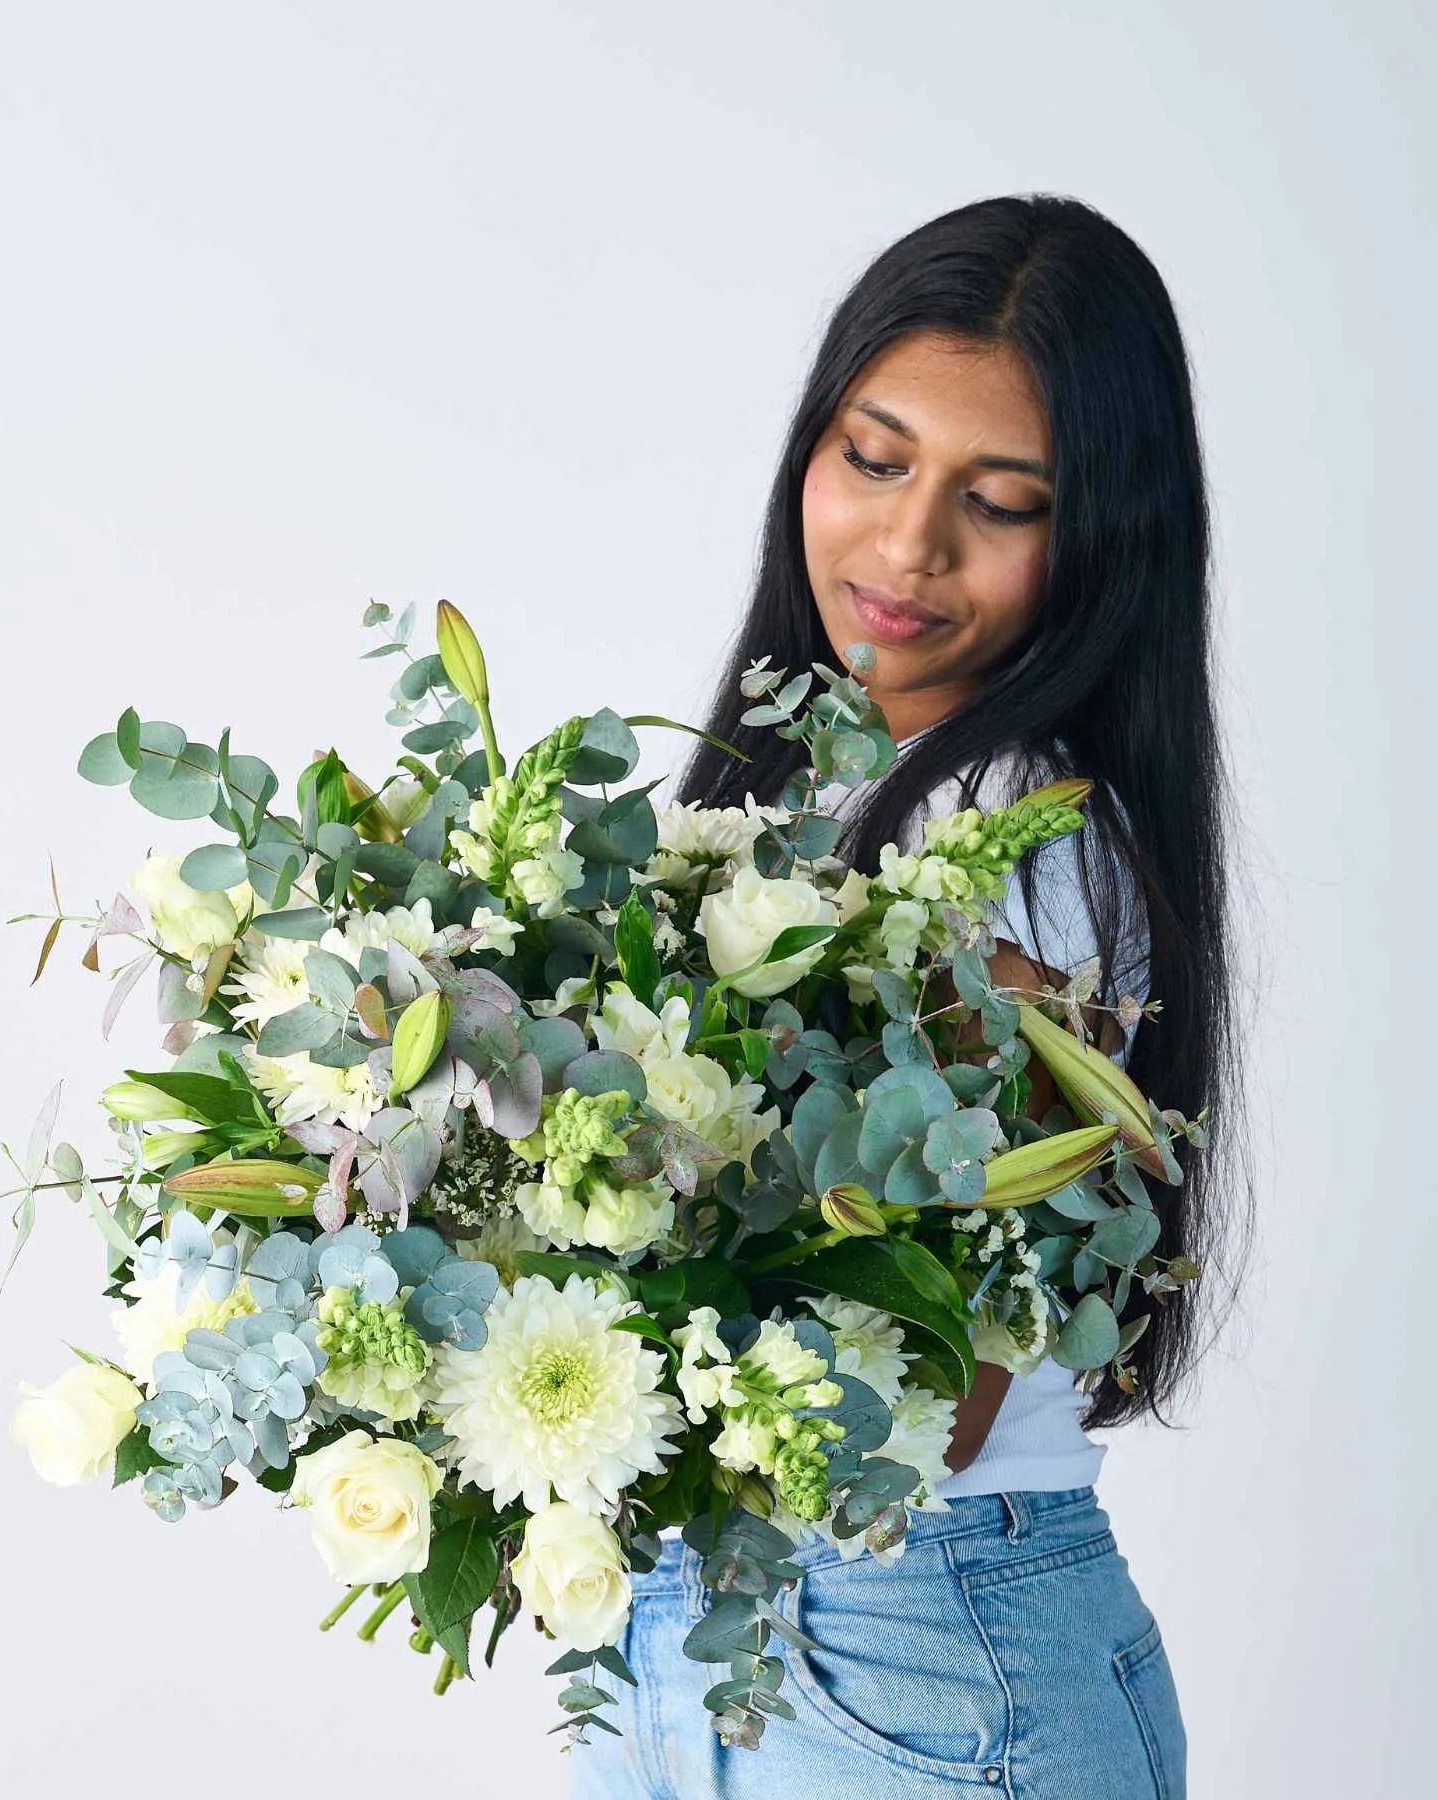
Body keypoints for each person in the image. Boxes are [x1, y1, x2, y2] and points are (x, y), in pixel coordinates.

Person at [569, 194, 1252, 1799]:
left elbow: (928, 1397)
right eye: (874, 461)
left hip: (911, 1646)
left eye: (998, 501)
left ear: (1103, 542)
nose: (907, 548)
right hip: (714, 1631)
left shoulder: (1017, 836)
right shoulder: (798, 796)